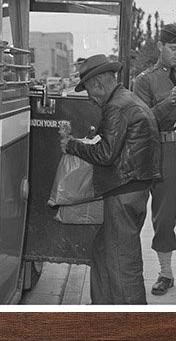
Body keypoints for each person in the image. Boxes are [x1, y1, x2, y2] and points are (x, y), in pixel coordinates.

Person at [60, 54, 161, 304]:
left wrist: (72, 145)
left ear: (98, 84)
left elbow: (105, 154)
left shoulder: (116, 106)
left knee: (122, 262)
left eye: (89, 91)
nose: (90, 98)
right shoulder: (127, 99)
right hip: (134, 188)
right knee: (103, 251)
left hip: (123, 191)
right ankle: (102, 306)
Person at [132, 24, 176, 296]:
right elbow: (141, 120)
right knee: (164, 215)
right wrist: (169, 102)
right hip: (164, 152)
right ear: (160, 46)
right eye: (173, 48)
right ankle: (166, 273)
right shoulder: (144, 80)